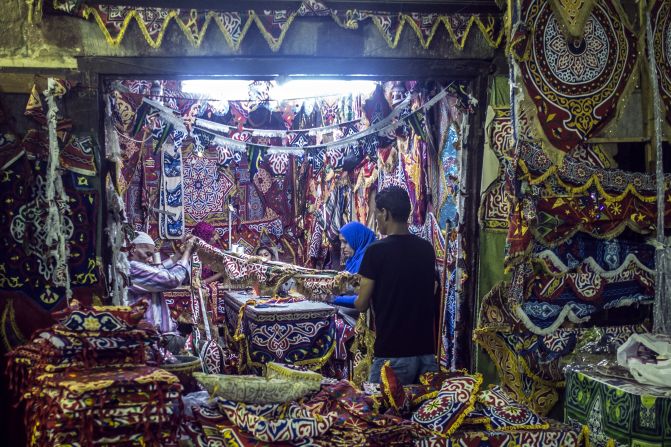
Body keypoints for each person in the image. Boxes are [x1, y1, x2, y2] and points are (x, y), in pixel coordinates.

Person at [355, 186, 438, 385]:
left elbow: (361, 305)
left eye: (376, 213)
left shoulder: (376, 252)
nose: (376, 219)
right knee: (421, 414)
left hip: (392, 355)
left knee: (379, 414)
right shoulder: (426, 249)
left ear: (385, 213)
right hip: (425, 355)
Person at [128, 231, 195, 334]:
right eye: (148, 254)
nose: (151, 260)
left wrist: (178, 255)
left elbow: (157, 269)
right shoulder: (132, 268)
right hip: (149, 336)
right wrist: (187, 253)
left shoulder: (136, 267)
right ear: (133, 249)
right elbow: (173, 279)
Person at [331, 222, 377, 307]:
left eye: (345, 242)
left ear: (357, 239)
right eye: (341, 242)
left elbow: (361, 299)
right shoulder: (353, 260)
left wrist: (331, 298)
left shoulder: (366, 261)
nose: (342, 247)